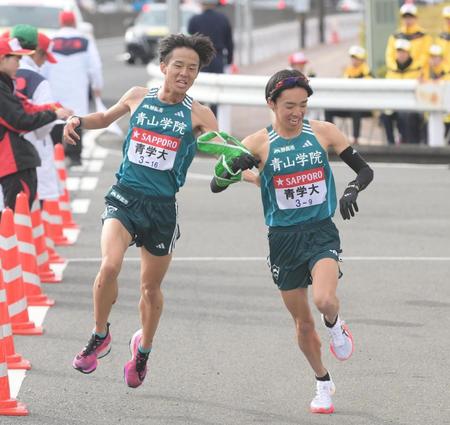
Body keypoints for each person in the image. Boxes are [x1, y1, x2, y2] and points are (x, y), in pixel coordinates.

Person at [64, 33, 256, 388]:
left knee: (150, 289)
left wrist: (249, 172)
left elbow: (221, 151)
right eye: (179, 66)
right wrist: (77, 120)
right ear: (164, 66)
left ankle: (143, 351)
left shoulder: (199, 114)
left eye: (193, 69)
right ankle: (99, 334)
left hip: (162, 209)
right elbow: (105, 118)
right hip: (124, 196)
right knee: (109, 264)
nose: (185, 73)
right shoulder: (138, 96)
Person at [210, 69, 374, 414]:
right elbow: (216, 182)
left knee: (325, 299)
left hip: (320, 231)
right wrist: (235, 167)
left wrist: (351, 189)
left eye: (302, 105)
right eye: (289, 106)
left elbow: (364, 170)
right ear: (271, 104)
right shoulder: (257, 142)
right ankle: (322, 382)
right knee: (302, 323)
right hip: (282, 240)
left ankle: (336, 324)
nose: (297, 112)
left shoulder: (323, 132)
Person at [0, 37, 67, 211]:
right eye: (16, 58)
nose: (19, 64)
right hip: (11, 161)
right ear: (2, 58)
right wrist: (52, 114)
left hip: (14, 161)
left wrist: (51, 110)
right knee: (17, 215)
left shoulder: (7, 85)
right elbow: (20, 120)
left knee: (16, 215)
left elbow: (24, 107)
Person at [44, 10, 103, 167]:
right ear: (75, 22)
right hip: (77, 86)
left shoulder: (52, 40)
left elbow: (44, 66)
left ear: (61, 22)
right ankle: (75, 156)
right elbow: (95, 66)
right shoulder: (85, 40)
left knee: (57, 117)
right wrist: (97, 85)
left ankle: (56, 152)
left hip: (55, 85)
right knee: (76, 118)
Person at [187, 0, 233, 116]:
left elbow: (190, 42)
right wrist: (229, 60)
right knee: (215, 95)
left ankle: (197, 122)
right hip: (218, 58)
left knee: (199, 93)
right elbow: (230, 43)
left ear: (202, 4)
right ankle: (212, 124)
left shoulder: (194, 20)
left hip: (200, 59)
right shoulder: (223, 19)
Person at [324, 46, 373, 145]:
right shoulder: (347, 72)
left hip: (364, 108)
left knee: (355, 109)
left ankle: (355, 139)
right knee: (328, 109)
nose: (354, 60)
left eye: (357, 58)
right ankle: (330, 137)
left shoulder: (368, 73)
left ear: (363, 59)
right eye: (353, 57)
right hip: (347, 104)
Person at [381, 39, 424, 144]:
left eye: (404, 52)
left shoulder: (417, 69)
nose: (401, 55)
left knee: (404, 114)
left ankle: (406, 144)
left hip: (412, 106)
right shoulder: (392, 70)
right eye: (399, 52)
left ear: (409, 53)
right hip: (395, 104)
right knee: (385, 115)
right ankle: (391, 144)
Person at [385, 3, 432, 72]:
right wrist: (396, 67)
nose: (407, 20)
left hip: (417, 75)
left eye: (410, 17)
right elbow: (389, 56)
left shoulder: (423, 36)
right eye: (405, 17)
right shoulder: (395, 36)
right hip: (395, 75)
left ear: (416, 17)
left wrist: (411, 68)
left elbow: (425, 56)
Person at [421, 44, 450, 143]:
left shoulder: (447, 73)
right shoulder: (424, 73)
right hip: (426, 114)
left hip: (446, 116)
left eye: (436, 57)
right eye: (431, 56)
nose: (433, 60)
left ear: (442, 58)